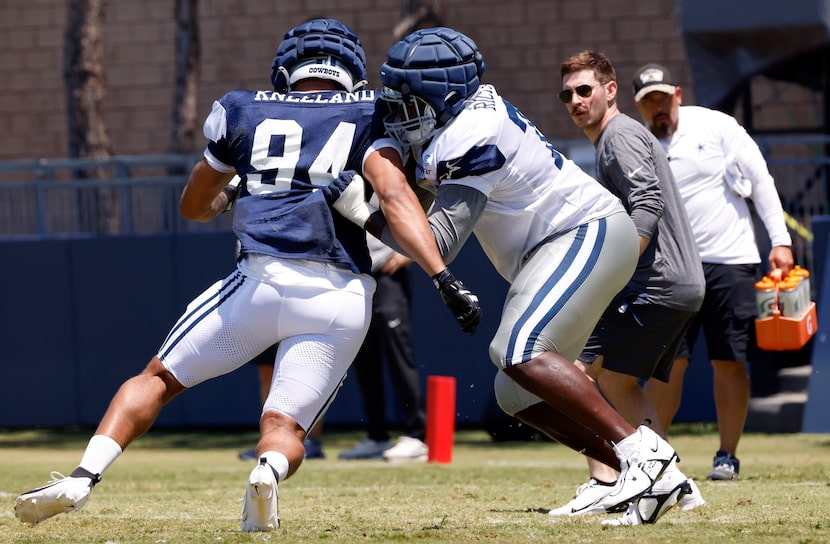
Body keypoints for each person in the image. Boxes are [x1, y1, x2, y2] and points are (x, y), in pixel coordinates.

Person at [13, 18, 481, 532]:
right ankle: (268, 470)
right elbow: (396, 198)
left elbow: (193, 205)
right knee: (286, 425)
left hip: (259, 281)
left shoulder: (241, 109)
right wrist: (444, 278)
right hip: (340, 295)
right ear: (353, 69)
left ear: (286, 67)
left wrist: (229, 194)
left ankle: (83, 475)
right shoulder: (370, 112)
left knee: (158, 379)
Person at [346, 26, 684, 524]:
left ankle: (644, 455)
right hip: (556, 246)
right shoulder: (463, 116)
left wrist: (365, 213)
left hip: (583, 231)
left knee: (518, 350)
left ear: (444, 97)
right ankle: (625, 472)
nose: (401, 112)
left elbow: (437, 243)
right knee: (515, 391)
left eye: (411, 100)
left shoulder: (469, 135)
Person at [545, 50, 707, 525]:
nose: (575, 100)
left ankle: (605, 481)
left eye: (584, 90)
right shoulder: (618, 137)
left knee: (571, 372)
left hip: (654, 283)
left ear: (610, 90)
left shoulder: (617, 136)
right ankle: (676, 482)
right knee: (614, 382)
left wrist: (613, 269)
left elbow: (647, 202)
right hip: (679, 284)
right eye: (567, 94)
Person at [632, 62, 795, 481]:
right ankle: (654, 458)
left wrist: (780, 241)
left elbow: (760, 179)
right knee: (666, 366)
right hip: (670, 268)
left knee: (729, 360)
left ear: (679, 95)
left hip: (730, 260)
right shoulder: (635, 144)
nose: (658, 109)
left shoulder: (716, 127)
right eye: (649, 103)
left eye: (663, 99)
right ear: (638, 108)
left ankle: (727, 455)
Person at [339, 230, 428, 461]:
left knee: (398, 357)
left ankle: (417, 435)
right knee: (364, 360)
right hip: (354, 275)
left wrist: (409, 253)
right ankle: (377, 436)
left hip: (389, 274)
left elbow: (425, 211)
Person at [237, 345, 326, 461]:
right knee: (267, 370)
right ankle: (271, 442)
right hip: (268, 328)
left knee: (304, 370)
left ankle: (309, 442)